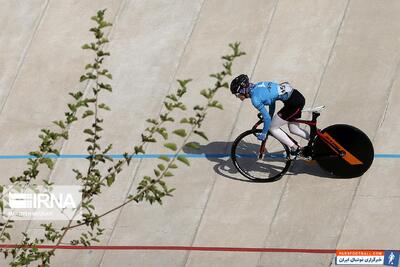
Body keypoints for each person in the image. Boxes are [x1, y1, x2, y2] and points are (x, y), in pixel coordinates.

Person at [230, 74, 309, 157]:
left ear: (243, 90)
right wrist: (270, 116)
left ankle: (295, 148)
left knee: (272, 128)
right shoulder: (259, 85)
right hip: (296, 97)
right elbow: (272, 101)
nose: (238, 97)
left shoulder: (255, 99)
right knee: (294, 129)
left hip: (293, 104)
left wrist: (264, 133)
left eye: (237, 94)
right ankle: (314, 139)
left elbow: (267, 118)